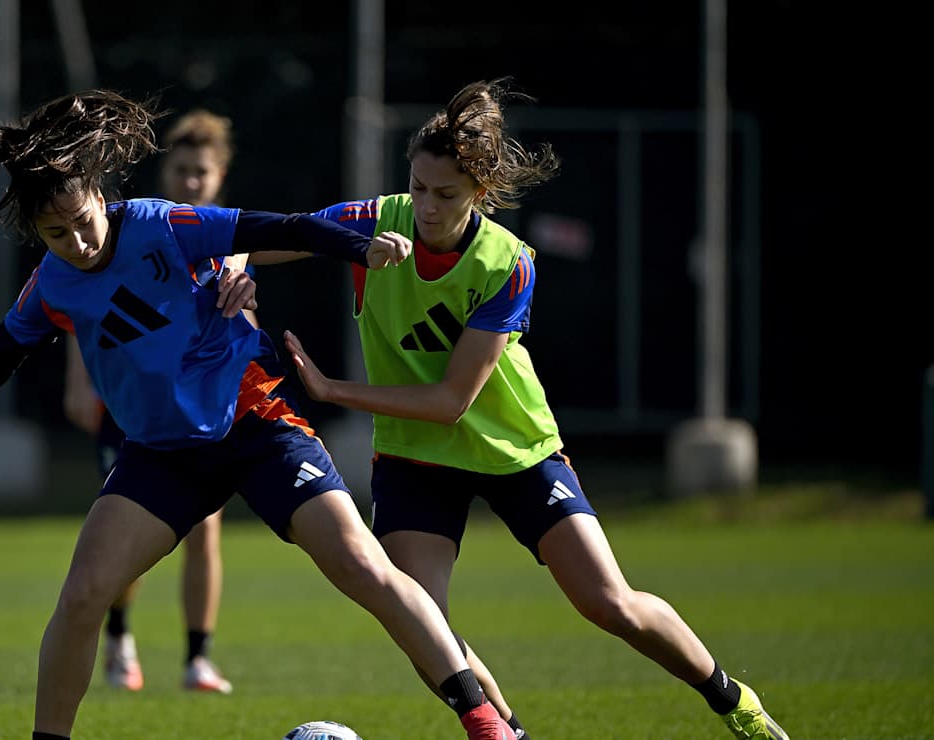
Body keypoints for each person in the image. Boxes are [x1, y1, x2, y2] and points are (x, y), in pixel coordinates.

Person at [0, 88, 518, 740]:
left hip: (253, 419)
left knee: (363, 567)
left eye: (82, 221)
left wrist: (357, 249)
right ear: (35, 234)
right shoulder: (51, 283)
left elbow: (282, 227)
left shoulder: (165, 224)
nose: (76, 240)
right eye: (55, 233)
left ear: (101, 197)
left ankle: (483, 721)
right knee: (80, 599)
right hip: (162, 452)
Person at [272, 79, 790, 740]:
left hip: (512, 448)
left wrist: (334, 391)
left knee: (610, 604)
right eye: (418, 187)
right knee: (421, 621)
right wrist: (227, 258)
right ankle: (506, 733)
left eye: (446, 195)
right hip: (413, 455)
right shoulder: (380, 218)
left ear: (480, 195)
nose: (425, 208)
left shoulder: (507, 264)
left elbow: (451, 401)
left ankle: (730, 699)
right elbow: (289, 234)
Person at [61, 109, 248, 694]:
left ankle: (198, 658)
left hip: (195, 419)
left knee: (206, 533)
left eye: (203, 172)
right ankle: (119, 635)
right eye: (183, 170)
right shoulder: (132, 232)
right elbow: (83, 317)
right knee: (127, 545)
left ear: (219, 178)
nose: (192, 182)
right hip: (128, 417)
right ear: (166, 171)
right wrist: (82, 390)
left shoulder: (228, 241)